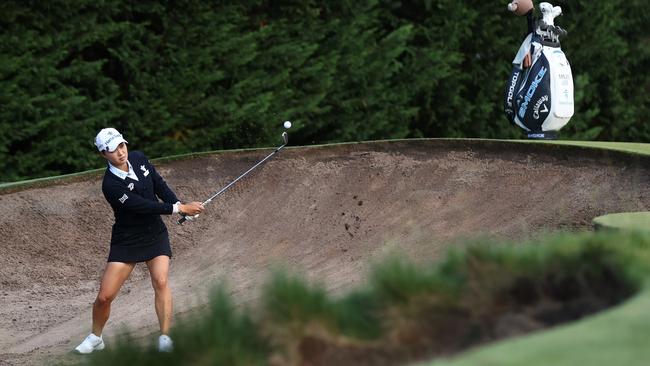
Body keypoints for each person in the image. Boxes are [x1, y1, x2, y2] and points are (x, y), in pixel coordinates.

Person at [74, 127, 204, 354]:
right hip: (127, 239)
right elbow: (141, 206)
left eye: (122, 146)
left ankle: (164, 336)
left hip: (154, 233)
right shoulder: (111, 185)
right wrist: (177, 208)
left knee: (161, 281)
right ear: (104, 154)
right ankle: (96, 337)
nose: (121, 153)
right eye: (113, 150)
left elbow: (159, 184)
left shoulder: (139, 158)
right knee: (104, 297)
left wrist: (180, 207)